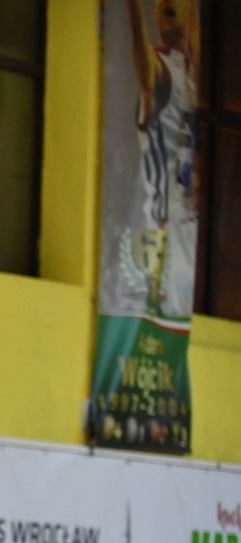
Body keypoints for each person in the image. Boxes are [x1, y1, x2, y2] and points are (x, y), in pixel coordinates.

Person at [125, 0, 200, 319]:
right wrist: (132, 8)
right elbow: (146, 76)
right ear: (153, 13)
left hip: (188, 240)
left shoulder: (196, 80)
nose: (167, 1)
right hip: (159, 237)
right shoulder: (160, 68)